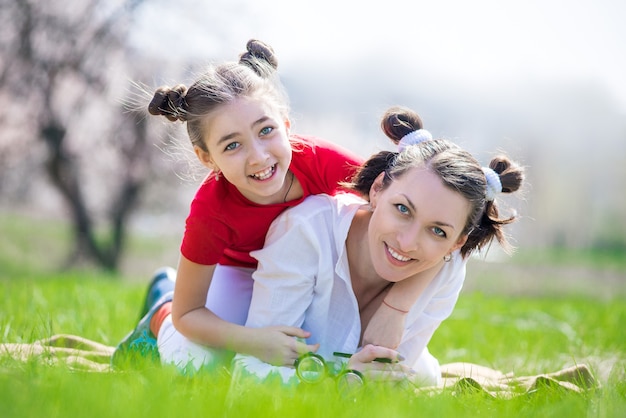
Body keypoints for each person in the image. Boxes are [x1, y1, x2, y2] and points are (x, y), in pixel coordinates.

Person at [111, 40, 421, 371]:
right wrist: (254, 341)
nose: (259, 156)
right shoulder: (212, 209)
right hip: (240, 273)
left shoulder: (321, 161)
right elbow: (189, 314)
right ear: (207, 158)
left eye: (266, 130)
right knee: (195, 365)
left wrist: (396, 304)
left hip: (308, 271)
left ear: (286, 126)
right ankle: (160, 308)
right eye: (232, 145)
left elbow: (400, 206)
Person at [231, 106, 525, 387]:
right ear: (377, 190)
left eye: (437, 231)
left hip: (412, 373)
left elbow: (386, 382)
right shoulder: (306, 232)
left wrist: (396, 308)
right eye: (402, 209)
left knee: (423, 377)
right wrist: (340, 383)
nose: (407, 243)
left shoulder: (448, 272)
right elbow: (247, 375)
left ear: (457, 242)